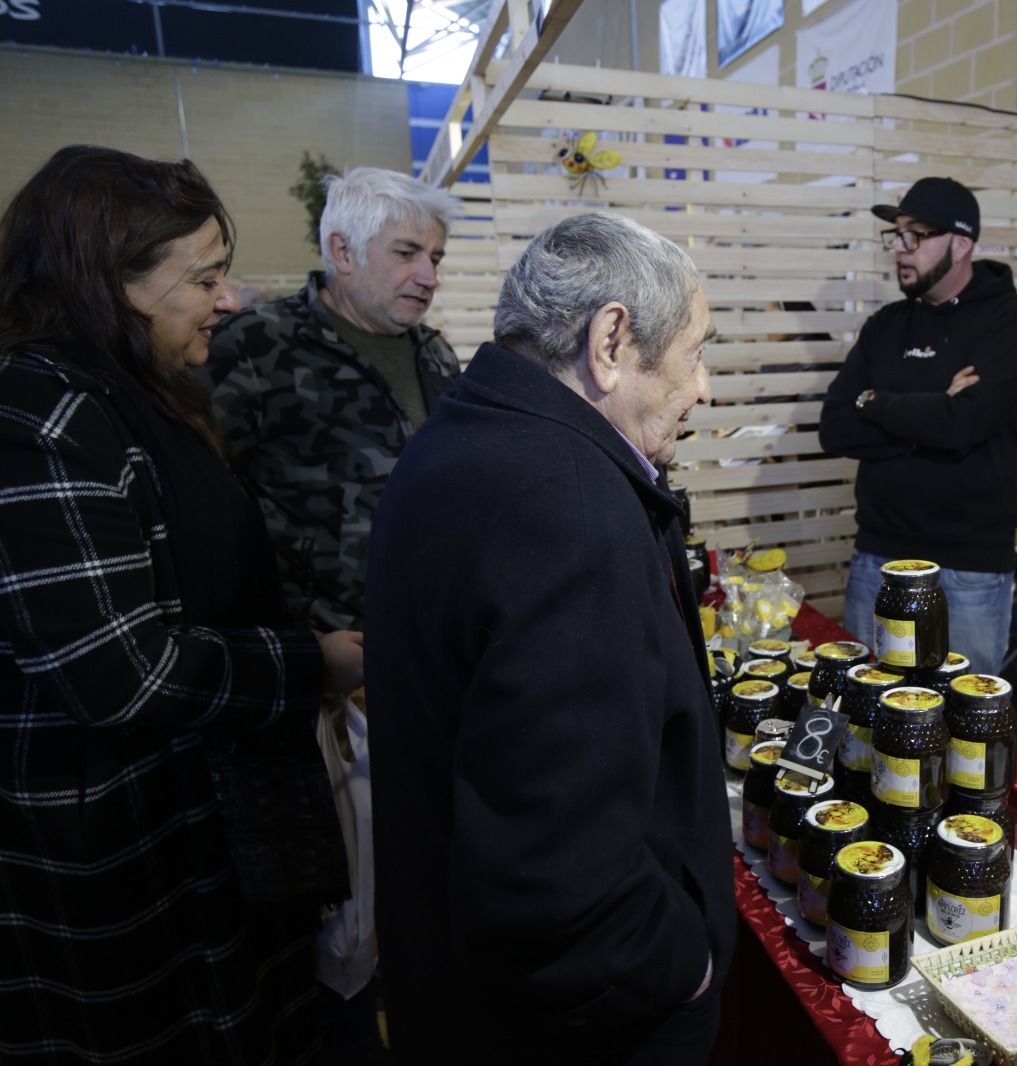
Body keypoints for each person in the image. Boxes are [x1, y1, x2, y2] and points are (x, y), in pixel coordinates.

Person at [0, 146, 363, 1063]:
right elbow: (121, 670)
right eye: (203, 277)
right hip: (116, 853)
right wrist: (315, 664)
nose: (228, 298)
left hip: (198, 819)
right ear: (114, 285)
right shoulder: (40, 416)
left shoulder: (132, 392)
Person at [365, 212, 733, 1063]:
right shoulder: (568, 511)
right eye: (697, 352)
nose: (704, 388)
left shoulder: (466, 438)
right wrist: (689, 965)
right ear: (611, 343)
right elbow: (556, 885)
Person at [204, 166, 459, 632]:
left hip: (430, 629)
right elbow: (202, 499)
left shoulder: (436, 354)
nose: (428, 277)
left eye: (435, 259)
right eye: (407, 253)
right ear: (343, 251)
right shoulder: (256, 347)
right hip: (317, 646)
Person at [819, 176, 1017, 674]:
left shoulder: (1010, 321)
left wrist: (875, 402)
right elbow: (834, 427)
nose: (900, 249)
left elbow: (965, 425)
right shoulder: (886, 325)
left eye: (915, 235)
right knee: (864, 717)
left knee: (963, 730)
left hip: (968, 571)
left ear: (961, 244)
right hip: (878, 559)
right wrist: (935, 408)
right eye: (897, 235)